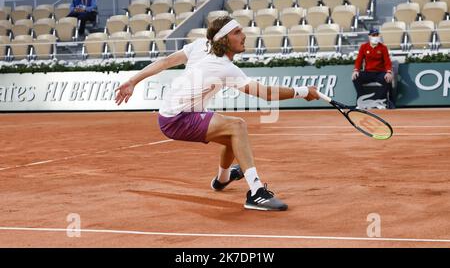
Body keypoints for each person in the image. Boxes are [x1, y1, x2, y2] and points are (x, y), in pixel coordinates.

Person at [115, 16, 320, 211]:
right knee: (237, 126)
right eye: (237, 32)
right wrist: (303, 92)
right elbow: (265, 93)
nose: (244, 36)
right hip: (177, 119)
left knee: (233, 138)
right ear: (223, 39)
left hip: (182, 113)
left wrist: (134, 81)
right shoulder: (223, 67)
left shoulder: (202, 45)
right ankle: (256, 192)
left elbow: (165, 62)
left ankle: (222, 180)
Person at [352, 27, 394, 109]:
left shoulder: (383, 48)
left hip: (380, 73)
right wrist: (356, 70)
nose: (375, 36)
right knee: (356, 78)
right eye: (373, 35)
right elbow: (359, 60)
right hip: (368, 72)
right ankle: (362, 101)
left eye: (377, 35)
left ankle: (379, 102)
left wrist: (388, 72)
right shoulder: (364, 47)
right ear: (369, 36)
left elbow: (387, 61)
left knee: (388, 79)